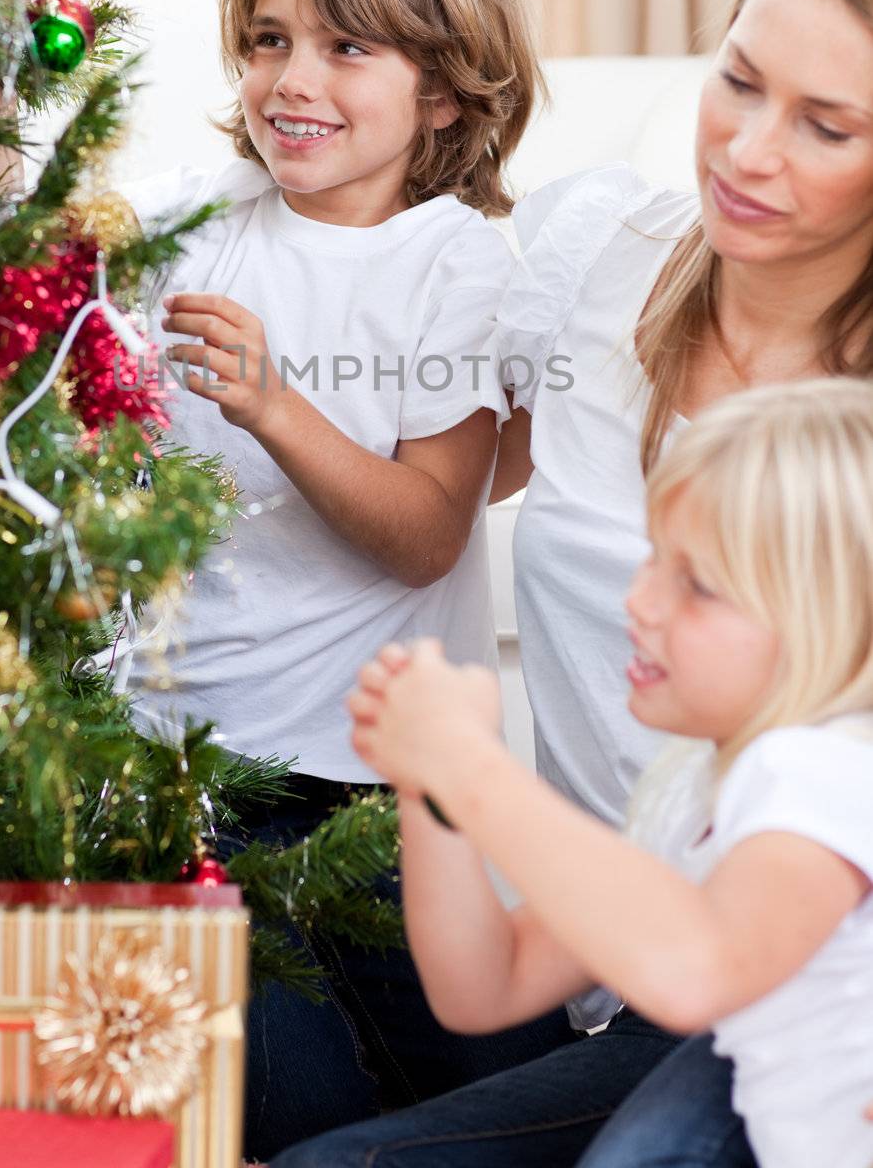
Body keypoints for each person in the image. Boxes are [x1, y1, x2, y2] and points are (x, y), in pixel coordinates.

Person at [270, 0, 873, 1166]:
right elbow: (419, 488)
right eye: (738, 81)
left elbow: (723, 949)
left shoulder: (794, 784)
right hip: (626, 966)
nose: (747, 151)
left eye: (824, 125)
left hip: (786, 984)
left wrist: (473, 775)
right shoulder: (591, 260)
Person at [108, 0, 583, 1159]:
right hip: (185, 770)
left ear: (442, 92)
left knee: (513, 1083)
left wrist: (274, 402)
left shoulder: (457, 263)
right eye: (266, 40)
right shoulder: (192, 225)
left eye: (344, 45)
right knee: (294, 1106)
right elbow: (44, 252)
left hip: (385, 789)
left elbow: (432, 528)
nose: (290, 78)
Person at [320, 376, 873, 1168]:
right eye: (652, 561)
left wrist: (471, 765)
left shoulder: (823, 768)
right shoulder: (691, 788)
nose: (637, 603)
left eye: (698, 586)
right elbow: (486, 987)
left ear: (831, 618)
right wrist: (429, 786)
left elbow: (696, 973)